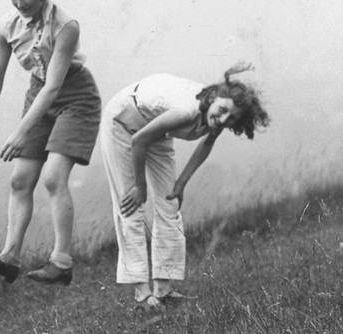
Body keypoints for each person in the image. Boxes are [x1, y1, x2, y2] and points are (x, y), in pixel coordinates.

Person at [0, 0, 101, 286]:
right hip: (38, 94)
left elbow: (56, 84)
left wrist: (20, 131)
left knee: (54, 177)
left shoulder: (65, 25)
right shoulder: (6, 26)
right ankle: (9, 257)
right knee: (20, 179)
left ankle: (61, 261)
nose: (20, 2)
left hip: (75, 96)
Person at [99, 63, 270, 308]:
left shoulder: (219, 116)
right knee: (131, 206)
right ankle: (141, 294)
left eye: (230, 118)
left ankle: (163, 290)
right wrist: (140, 186)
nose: (222, 119)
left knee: (170, 203)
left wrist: (181, 184)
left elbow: (206, 144)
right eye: (221, 111)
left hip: (156, 130)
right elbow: (138, 141)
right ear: (212, 98)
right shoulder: (185, 112)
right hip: (123, 125)